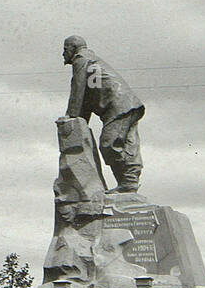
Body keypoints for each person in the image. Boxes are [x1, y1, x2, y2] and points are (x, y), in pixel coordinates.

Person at [62, 35, 145, 192]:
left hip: (118, 106)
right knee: (128, 143)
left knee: (109, 144)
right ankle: (129, 183)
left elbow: (78, 89)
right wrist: (81, 122)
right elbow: (88, 96)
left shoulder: (81, 59)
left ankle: (127, 184)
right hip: (128, 104)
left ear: (73, 48)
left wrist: (72, 118)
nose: (63, 54)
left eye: (65, 49)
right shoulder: (92, 60)